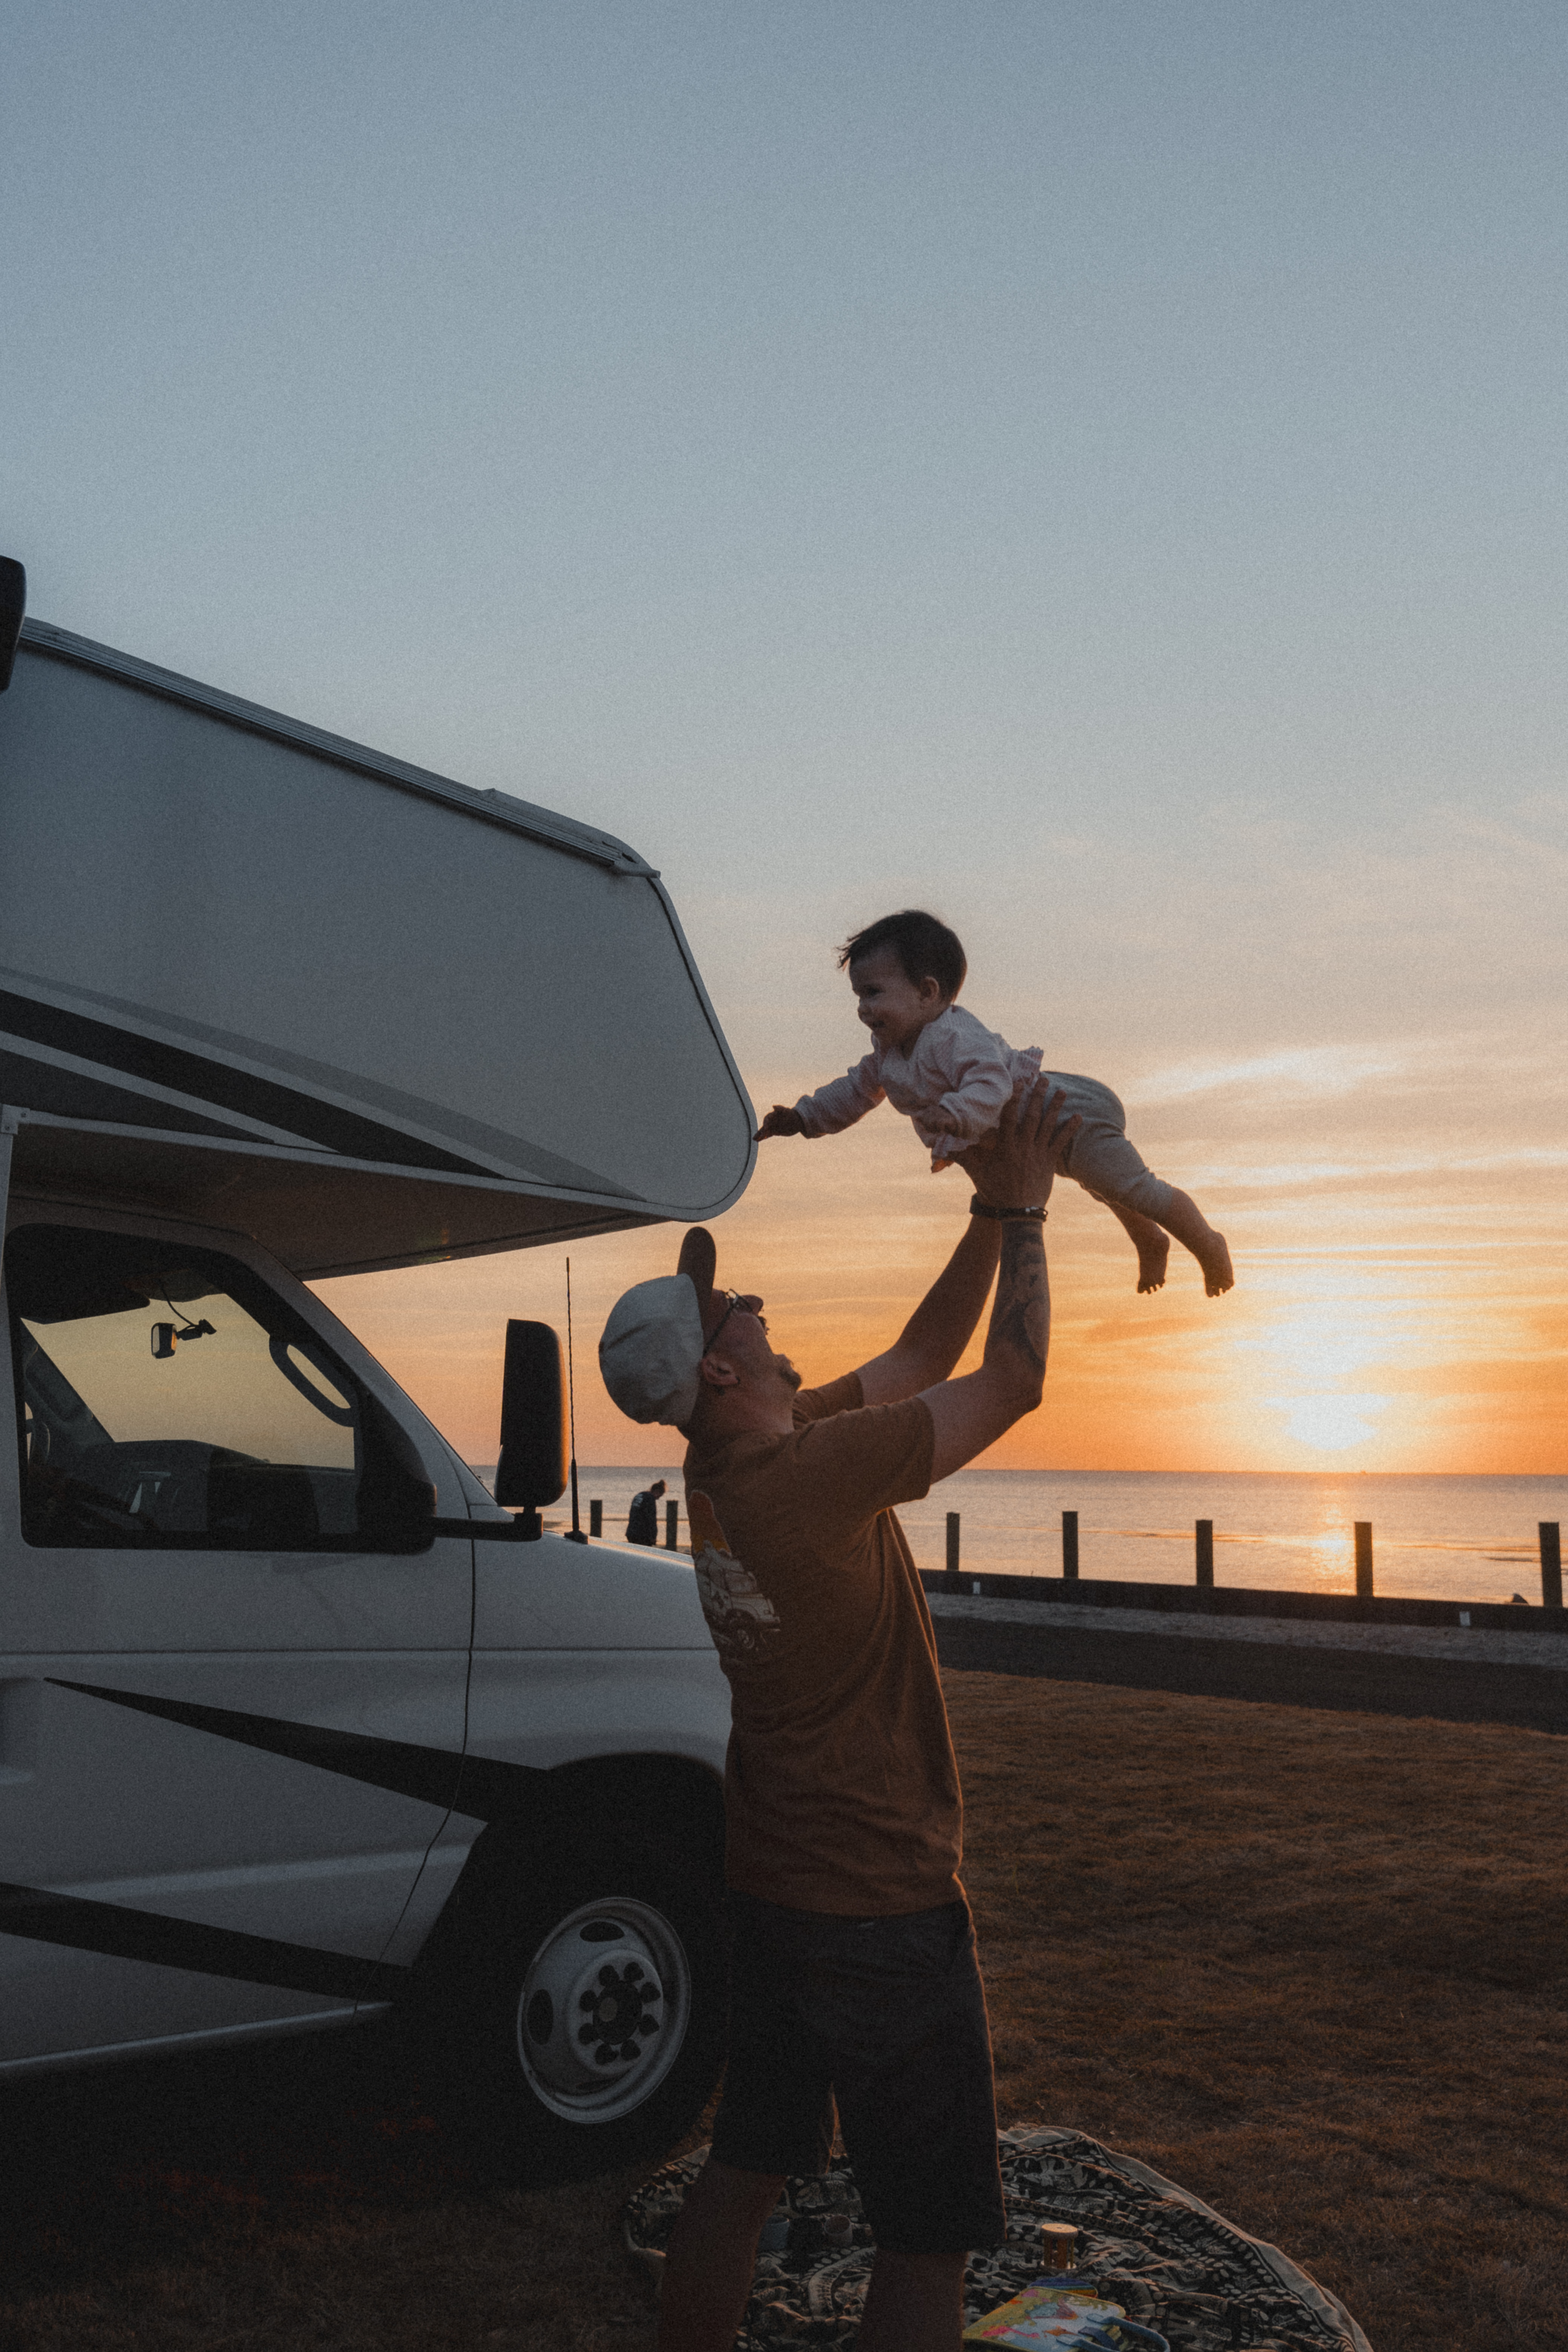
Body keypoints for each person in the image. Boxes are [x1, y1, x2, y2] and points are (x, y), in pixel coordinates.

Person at [597, 1079, 1080, 2352]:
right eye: (732, 1308)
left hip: (773, 1889)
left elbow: (920, 1358)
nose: (752, 1300)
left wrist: (986, 1211)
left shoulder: (732, 1464)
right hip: (877, 1906)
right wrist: (1033, 1213)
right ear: (719, 1365)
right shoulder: (805, 1475)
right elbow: (1014, 1378)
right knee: (925, 2232)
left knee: (746, 2165)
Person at [755, 907, 1234, 1299]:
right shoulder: (888, 1055)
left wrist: (957, 1113)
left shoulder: (955, 1036)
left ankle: (1207, 1243)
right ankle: (1148, 1238)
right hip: (1035, 1136)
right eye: (859, 996)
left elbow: (990, 1083)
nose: (863, 1008)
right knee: (1099, 1183)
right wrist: (803, 1118)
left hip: (1069, 1113)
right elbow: (854, 1091)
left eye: (874, 993)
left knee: (1132, 1187)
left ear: (927, 992)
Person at [626, 1477, 667, 1545]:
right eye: (659, 1496)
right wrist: (654, 1537)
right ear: (657, 1491)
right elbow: (652, 1519)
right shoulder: (650, 1498)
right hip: (642, 1534)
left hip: (631, 1531)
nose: (658, 1499)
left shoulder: (639, 1495)